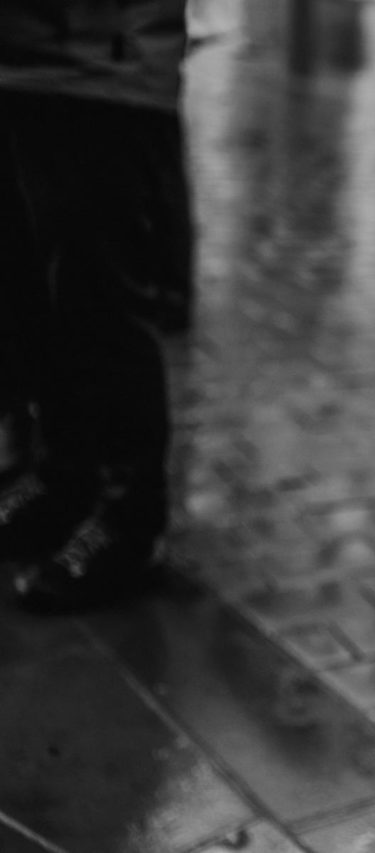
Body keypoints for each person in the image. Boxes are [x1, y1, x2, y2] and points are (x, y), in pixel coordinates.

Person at [0, 0, 187, 611]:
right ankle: (63, 478)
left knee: (99, 305)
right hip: (23, 61)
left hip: (103, 66)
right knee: (34, 296)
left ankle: (130, 522)